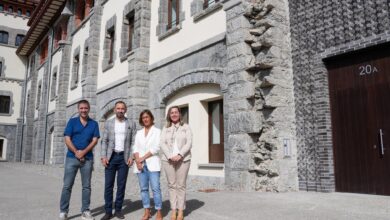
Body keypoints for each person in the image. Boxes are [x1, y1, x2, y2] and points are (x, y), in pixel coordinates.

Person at [59, 99, 100, 220]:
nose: (83, 110)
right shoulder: (72, 122)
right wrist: (77, 152)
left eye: (85, 108)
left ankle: (85, 211)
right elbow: (67, 139)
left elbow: (95, 140)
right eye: (81, 108)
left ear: (89, 109)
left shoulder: (94, 124)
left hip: (87, 159)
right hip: (72, 158)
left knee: (86, 186)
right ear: (78, 109)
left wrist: (83, 153)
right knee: (67, 185)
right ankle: (63, 211)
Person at [100, 101, 137, 220]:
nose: (120, 110)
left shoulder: (131, 123)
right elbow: (104, 141)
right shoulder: (109, 123)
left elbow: (133, 141)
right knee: (108, 186)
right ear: (115, 110)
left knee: (121, 185)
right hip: (111, 157)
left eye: (122, 108)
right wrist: (103, 156)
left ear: (125, 110)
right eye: (118, 108)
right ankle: (108, 211)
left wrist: (132, 156)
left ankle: (119, 210)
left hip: (124, 158)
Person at [160, 106, 192, 220]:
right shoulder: (165, 127)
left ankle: (181, 211)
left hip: (183, 160)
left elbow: (189, 143)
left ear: (179, 114)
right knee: (172, 185)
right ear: (169, 115)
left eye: (176, 112)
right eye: (171, 113)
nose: (174, 114)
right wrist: (169, 156)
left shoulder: (186, 127)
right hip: (168, 160)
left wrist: (180, 155)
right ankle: (173, 210)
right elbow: (162, 143)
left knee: (181, 185)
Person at [133, 110, 163, 220]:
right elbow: (135, 147)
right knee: (143, 189)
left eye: (147, 117)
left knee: (155, 188)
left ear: (151, 118)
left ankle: (159, 210)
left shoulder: (157, 131)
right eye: (143, 117)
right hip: (140, 165)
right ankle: (147, 211)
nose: (145, 119)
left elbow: (156, 148)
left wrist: (142, 158)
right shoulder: (139, 133)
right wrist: (137, 161)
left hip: (153, 163)